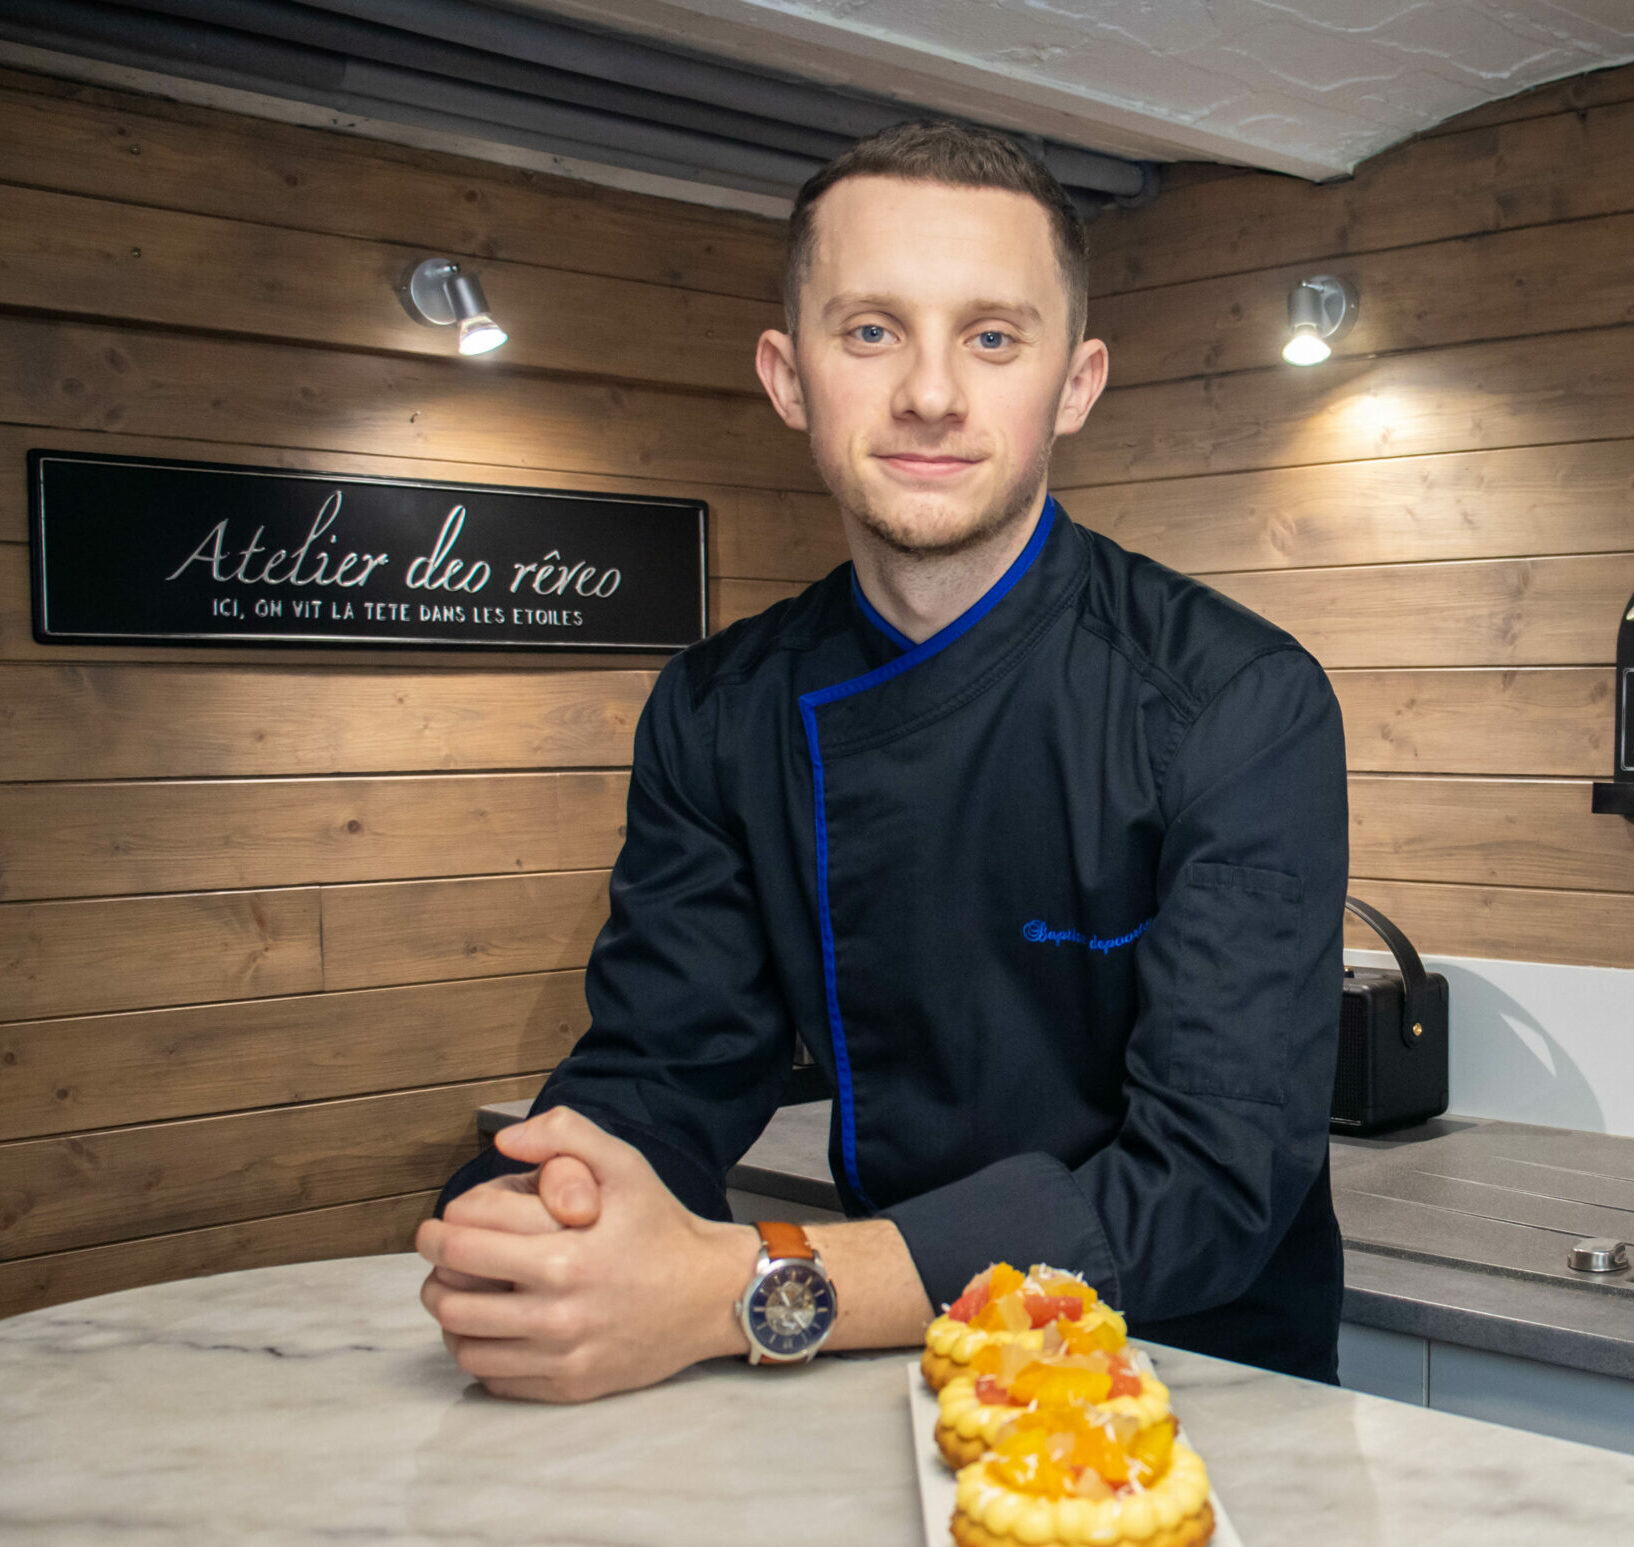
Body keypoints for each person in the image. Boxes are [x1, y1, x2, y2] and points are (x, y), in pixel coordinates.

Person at [417, 121, 1348, 1403]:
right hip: (898, 1359)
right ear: (788, 376)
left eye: (992, 337)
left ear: (1074, 385)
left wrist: (754, 1284)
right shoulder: (720, 707)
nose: (929, 394)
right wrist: (543, 1211)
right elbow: (664, 1064)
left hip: (1200, 1386)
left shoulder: (1236, 701)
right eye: (870, 331)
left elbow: (1209, 1184)